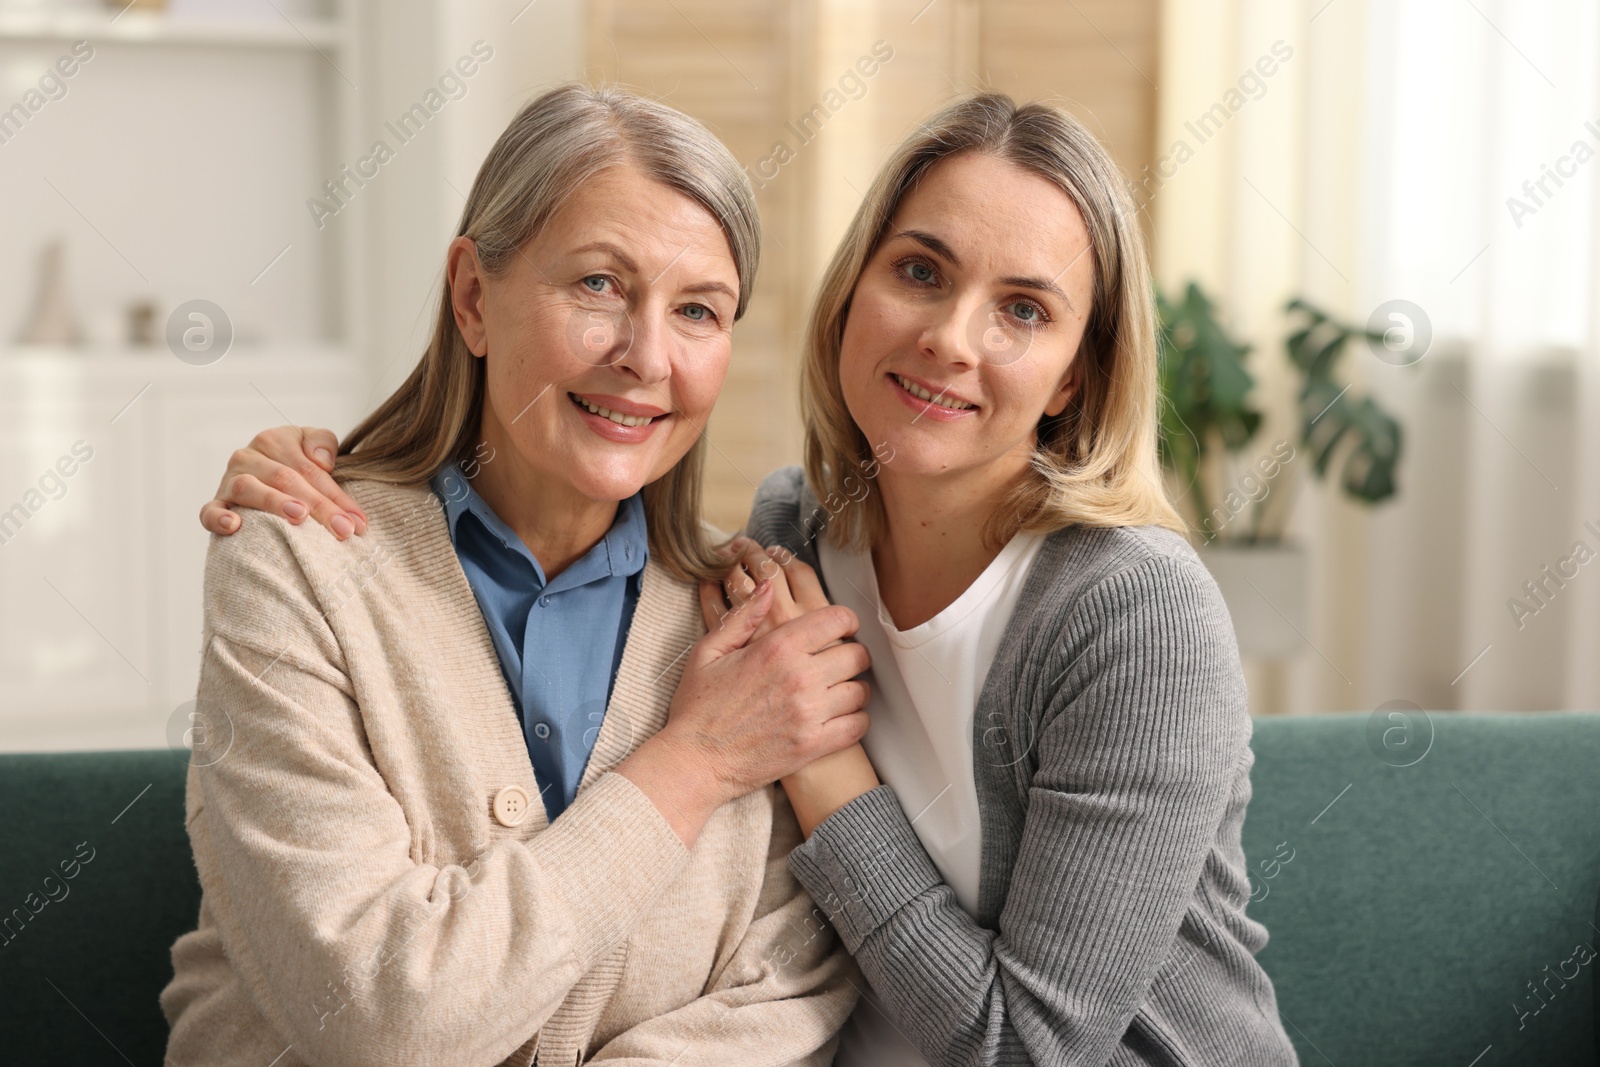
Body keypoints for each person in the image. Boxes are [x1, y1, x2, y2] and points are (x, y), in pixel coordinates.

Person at [202, 93, 1299, 1066]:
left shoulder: (1120, 611)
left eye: (1024, 308)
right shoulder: (784, 550)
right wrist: (700, 757)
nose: (951, 338)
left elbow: (869, 1006)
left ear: (1078, 374)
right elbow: (369, 1002)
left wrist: (818, 765)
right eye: (919, 270)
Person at [160, 85, 870, 1067]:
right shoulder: (295, 558)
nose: (645, 355)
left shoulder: (751, 615)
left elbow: (789, 991)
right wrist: (692, 761)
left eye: (697, 309)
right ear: (472, 298)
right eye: (597, 286)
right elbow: (378, 1009)